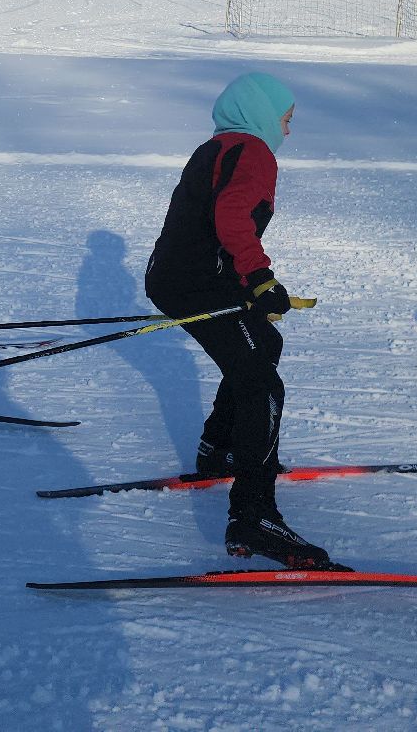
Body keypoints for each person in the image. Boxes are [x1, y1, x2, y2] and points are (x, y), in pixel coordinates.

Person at [142, 71, 329, 569]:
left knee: (262, 347)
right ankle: (253, 513)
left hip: (183, 277)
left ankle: (218, 450)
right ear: (263, 115)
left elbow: (214, 225)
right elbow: (232, 217)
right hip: (198, 283)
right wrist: (262, 281)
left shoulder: (219, 146)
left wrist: (250, 286)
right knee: (261, 386)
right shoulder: (252, 151)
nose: (286, 133)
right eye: (285, 121)